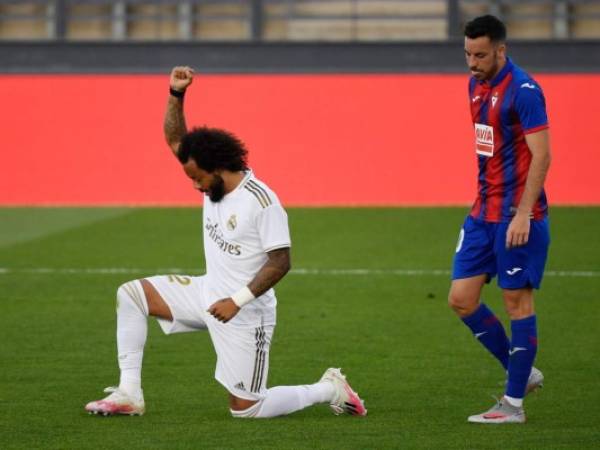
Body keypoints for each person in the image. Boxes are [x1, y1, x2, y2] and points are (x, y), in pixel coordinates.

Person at [85, 66, 367, 419]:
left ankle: (330, 388)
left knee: (247, 410)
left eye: (198, 178)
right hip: (206, 294)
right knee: (132, 295)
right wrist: (176, 94)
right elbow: (176, 140)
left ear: (218, 167)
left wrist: (237, 301)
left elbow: (281, 261)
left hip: (245, 312)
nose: (194, 186)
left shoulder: (261, 202)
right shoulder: (212, 182)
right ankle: (129, 393)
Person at [448, 15, 551, 424]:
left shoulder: (525, 91)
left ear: (501, 50)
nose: (473, 62)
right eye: (468, 54)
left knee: (516, 302)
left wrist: (524, 212)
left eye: (481, 55)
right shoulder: (476, 84)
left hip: (516, 217)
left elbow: (542, 155)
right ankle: (521, 373)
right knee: (461, 298)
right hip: (482, 214)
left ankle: (513, 405)